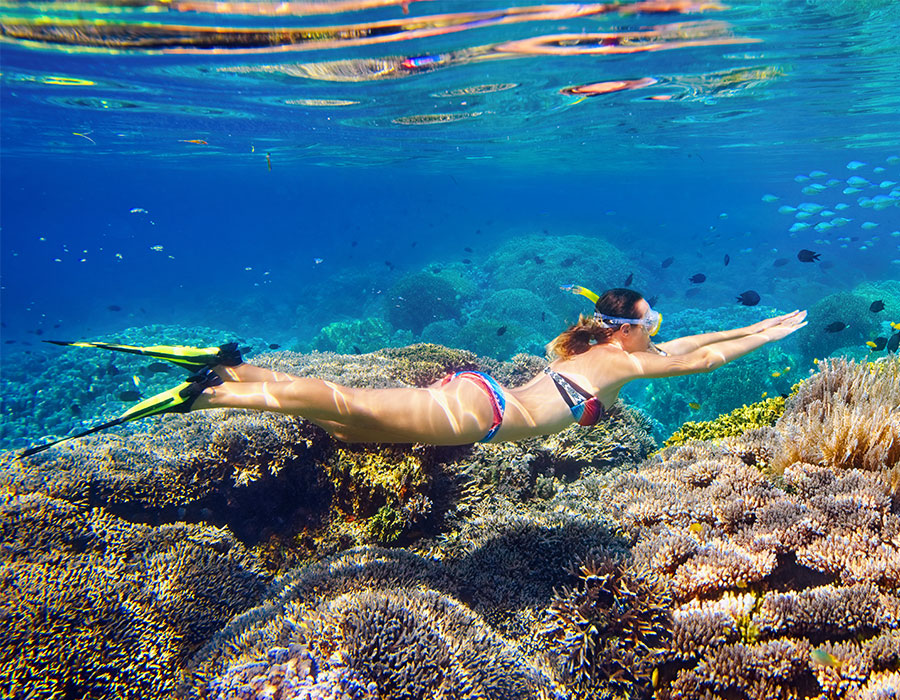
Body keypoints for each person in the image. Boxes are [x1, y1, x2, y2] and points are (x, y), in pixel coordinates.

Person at [20, 287, 807, 457]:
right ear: (636, 332)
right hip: (479, 416)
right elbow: (706, 353)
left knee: (341, 413)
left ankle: (226, 376)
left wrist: (760, 322)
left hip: (473, 394)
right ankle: (212, 388)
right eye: (655, 324)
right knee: (346, 409)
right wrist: (761, 338)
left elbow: (700, 337)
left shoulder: (583, 349)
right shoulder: (622, 368)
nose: (664, 333)